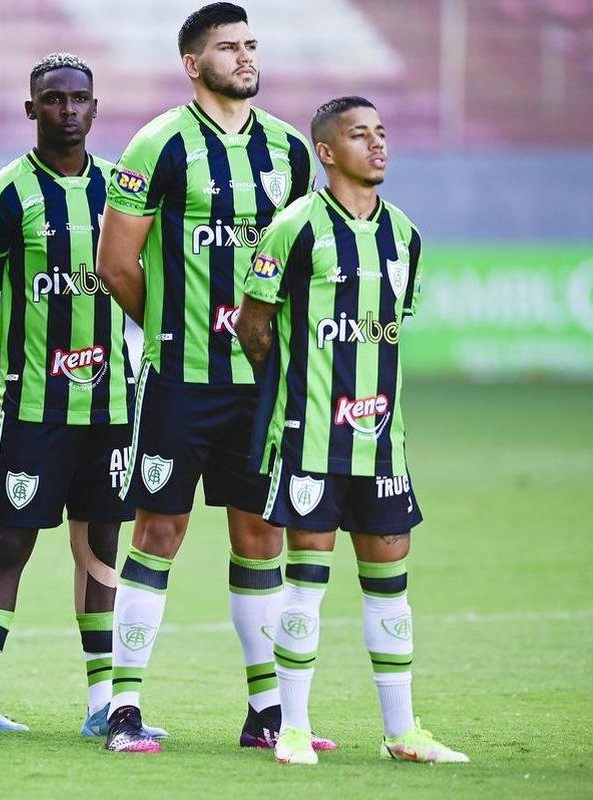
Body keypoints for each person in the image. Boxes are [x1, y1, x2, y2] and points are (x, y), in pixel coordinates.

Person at [96, 3, 331, 752]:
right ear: (193, 64)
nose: (245, 56)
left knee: (261, 532)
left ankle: (265, 712)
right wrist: (171, 325)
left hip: (261, 383)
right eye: (228, 47)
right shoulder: (158, 143)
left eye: (250, 44)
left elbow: (302, 257)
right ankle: (122, 706)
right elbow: (114, 264)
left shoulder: (291, 152)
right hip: (179, 379)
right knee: (158, 529)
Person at [234, 95, 468, 766]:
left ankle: (401, 732)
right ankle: (296, 729)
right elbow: (254, 324)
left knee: (388, 579)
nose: (377, 144)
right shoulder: (295, 228)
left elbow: (390, 327)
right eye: (359, 135)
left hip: (381, 441)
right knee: (305, 576)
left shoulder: (404, 235)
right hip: (310, 438)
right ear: (327, 152)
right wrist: (293, 394)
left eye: (382, 132)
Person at [0, 52, 154, 742]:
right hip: (33, 408)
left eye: (79, 99)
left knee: (101, 550)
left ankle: (102, 701)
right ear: (31, 109)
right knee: (7, 546)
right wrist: (13, 370)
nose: (68, 110)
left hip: (110, 409)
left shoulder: (123, 194)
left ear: (94, 108)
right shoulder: (0, 197)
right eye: (53, 100)